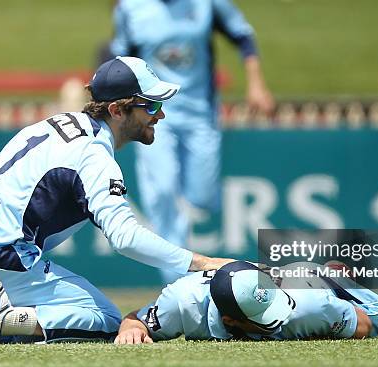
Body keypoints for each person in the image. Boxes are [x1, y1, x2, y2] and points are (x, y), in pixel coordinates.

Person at [0, 56, 234, 345]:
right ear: (117, 110)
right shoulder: (92, 154)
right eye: (151, 105)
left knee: (73, 306)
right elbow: (126, 238)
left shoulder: (54, 123)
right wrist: (207, 264)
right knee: (103, 318)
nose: (159, 115)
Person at [108, 0, 275, 283]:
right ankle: (176, 282)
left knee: (202, 199)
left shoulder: (208, 3)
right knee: (162, 191)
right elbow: (118, 61)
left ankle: (183, 248)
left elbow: (243, 36)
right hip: (155, 116)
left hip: (201, 115)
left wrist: (257, 84)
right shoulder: (130, 8)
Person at [113, 261, 378, 343]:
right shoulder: (182, 301)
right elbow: (139, 318)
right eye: (262, 318)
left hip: (314, 285)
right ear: (230, 322)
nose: (276, 320)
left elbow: (366, 325)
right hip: (286, 279)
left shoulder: (307, 308)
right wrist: (132, 325)